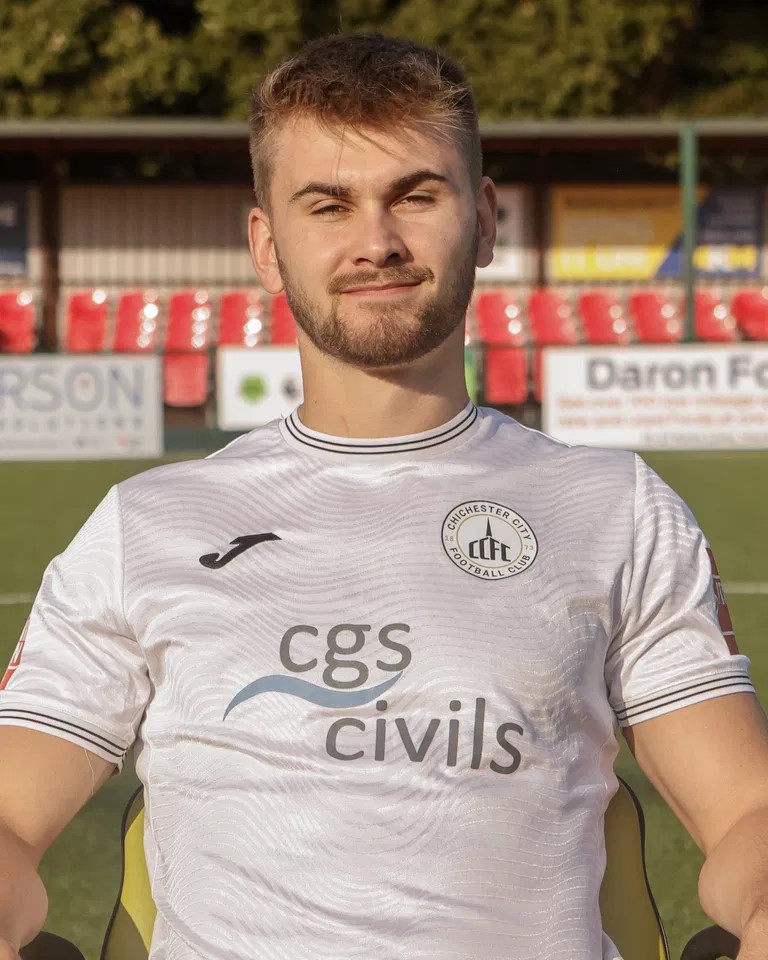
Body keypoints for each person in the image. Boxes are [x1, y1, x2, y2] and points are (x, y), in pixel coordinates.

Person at [1, 32, 768, 960]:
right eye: (328, 205)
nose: (377, 242)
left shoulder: (618, 508)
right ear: (267, 245)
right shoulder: (143, 525)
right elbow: (9, 816)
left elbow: (744, 815)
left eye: (416, 194)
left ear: (484, 221)